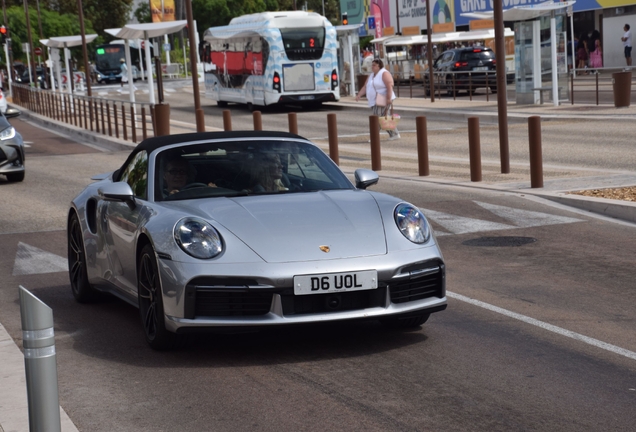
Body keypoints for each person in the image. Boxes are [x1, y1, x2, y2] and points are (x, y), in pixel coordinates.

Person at [355, 58, 400, 140]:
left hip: (383, 98)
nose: (372, 67)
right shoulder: (371, 75)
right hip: (374, 100)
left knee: (377, 117)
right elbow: (365, 86)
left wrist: (389, 98)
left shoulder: (384, 73)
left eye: (374, 65)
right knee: (383, 117)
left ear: (379, 66)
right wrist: (359, 95)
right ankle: (394, 133)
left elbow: (389, 86)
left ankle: (374, 136)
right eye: (372, 65)